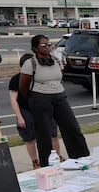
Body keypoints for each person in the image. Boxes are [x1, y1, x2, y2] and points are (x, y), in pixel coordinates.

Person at [18, 35, 90, 167]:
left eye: (49, 44)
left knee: (72, 127)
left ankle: (81, 157)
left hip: (59, 97)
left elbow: (60, 78)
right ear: (35, 48)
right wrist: (34, 97)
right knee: (44, 134)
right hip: (40, 99)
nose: (47, 47)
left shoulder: (56, 61)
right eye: (43, 45)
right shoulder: (30, 64)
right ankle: (46, 165)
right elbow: (23, 86)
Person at [9, 53, 61, 169]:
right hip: (26, 111)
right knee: (30, 138)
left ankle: (58, 157)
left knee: (53, 135)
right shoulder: (16, 79)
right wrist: (20, 117)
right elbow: (13, 99)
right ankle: (35, 162)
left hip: (44, 109)